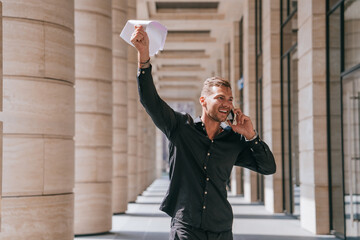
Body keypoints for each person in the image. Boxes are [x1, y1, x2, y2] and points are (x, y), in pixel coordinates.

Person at [131, 25, 276, 240]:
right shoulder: (181, 128)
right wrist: (144, 58)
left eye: (230, 99)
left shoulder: (233, 141)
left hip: (221, 230)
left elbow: (268, 167)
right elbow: (151, 101)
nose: (227, 104)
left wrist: (251, 136)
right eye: (220, 98)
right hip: (187, 228)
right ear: (203, 100)